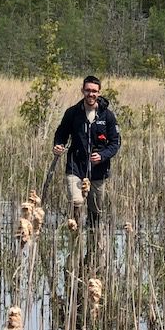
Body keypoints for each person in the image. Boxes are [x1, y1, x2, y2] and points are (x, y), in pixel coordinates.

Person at [53, 75, 121, 227]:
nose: (91, 94)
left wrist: (103, 156)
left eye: (94, 91)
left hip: (99, 170)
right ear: (82, 91)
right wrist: (58, 144)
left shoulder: (107, 115)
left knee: (95, 211)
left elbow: (115, 143)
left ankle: (93, 242)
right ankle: (75, 233)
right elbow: (61, 133)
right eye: (88, 90)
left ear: (99, 92)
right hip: (75, 166)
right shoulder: (72, 113)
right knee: (76, 201)